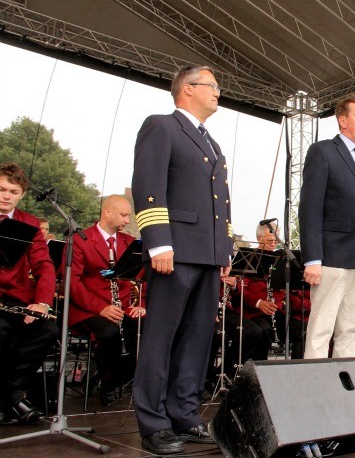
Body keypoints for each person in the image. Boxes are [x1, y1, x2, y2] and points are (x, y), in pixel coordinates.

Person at [131, 66, 232, 454]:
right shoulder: (161, 126)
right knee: (161, 338)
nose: (218, 92)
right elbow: (148, 185)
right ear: (187, 89)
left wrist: (223, 250)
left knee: (196, 339)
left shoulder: (211, 143)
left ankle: (185, 414)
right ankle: (153, 422)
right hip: (174, 251)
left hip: (206, 254)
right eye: (212, 86)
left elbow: (218, 204)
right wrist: (158, 243)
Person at [299, 92, 355, 359]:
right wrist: (312, 258)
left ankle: (346, 387)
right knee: (322, 325)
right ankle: (315, 390)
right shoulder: (323, 151)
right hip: (332, 254)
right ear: (342, 120)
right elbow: (310, 208)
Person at [68, 194, 145, 407]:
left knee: (146, 328)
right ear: (107, 212)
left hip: (123, 307)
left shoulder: (130, 242)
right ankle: (108, 382)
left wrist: (141, 304)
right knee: (108, 332)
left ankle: (127, 377)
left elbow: (143, 278)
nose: (127, 221)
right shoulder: (80, 240)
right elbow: (73, 283)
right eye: (123, 215)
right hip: (90, 309)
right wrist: (100, 307)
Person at [0, 162, 59, 424]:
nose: (6, 196)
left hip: (14, 301)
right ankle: (12, 398)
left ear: (22, 194)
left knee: (47, 331)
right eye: (1, 189)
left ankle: (9, 393)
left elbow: (44, 266)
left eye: (13, 191)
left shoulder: (30, 223)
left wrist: (42, 303)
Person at [238, 220, 310, 360]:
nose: (273, 244)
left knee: (302, 331)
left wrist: (282, 299)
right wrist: (259, 302)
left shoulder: (281, 259)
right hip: (254, 311)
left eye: (276, 241)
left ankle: (298, 371)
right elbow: (241, 290)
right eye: (270, 240)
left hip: (276, 310)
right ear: (259, 238)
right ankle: (258, 369)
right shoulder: (249, 259)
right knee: (264, 331)